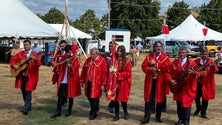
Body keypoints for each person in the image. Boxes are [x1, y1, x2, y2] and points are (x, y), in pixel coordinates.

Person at [167, 47, 200, 125]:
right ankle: (180, 119)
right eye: (180, 52)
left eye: (183, 52)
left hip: (188, 87)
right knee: (179, 103)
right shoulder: (175, 62)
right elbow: (168, 72)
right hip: (178, 86)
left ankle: (186, 121)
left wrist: (193, 73)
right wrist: (170, 80)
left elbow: (198, 73)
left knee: (186, 103)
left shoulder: (192, 63)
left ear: (186, 53)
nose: (181, 54)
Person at [141, 41, 171, 124]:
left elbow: (168, 68)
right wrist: (150, 69)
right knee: (148, 99)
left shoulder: (165, 57)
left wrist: (157, 65)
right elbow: (143, 66)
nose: (158, 48)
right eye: (157, 46)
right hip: (150, 81)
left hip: (160, 81)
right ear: (154, 47)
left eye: (160, 46)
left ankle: (158, 117)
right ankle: (146, 117)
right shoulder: (149, 57)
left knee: (160, 99)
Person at [10, 39, 41, 115]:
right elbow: (13, 60)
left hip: (30, 76)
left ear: (30, 45)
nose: (26, 46)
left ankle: (26, 108)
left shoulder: (34, 54)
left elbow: (39, 63)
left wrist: (35, 60)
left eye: (27, 44)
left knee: (28, 91)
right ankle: (28, 106)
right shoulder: (21, 54)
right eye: (24, 45)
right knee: (23, 91)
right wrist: (14, 65)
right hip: (21, 76)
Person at [51, 45, 81, 118]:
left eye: (68, 52)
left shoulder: (75, 58)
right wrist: (55, 64)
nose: (67, 54)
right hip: (63, 79)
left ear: (71, 51)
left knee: (70, 96)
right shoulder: (64, 57)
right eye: (66, 52)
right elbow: (60, 65)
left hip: (70, 80)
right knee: (60, 96)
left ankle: (69, 110)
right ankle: (58, 111)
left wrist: (70, 65)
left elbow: (75, 69)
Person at [80, 47, 107, 120]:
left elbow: (104, 73)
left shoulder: (102, 61)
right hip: (88, 81)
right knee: (88, 96)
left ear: (97, 54)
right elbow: (84, 70)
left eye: (93, 54)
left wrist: (103, 84)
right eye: (91, 54)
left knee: (95, 98)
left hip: (97, 83)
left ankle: (93, 113)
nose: (91, 56)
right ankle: (95, 108)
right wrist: (82, 80)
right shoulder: (88, 60)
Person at [106, 45, 132, 121]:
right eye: (118, 51)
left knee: (123, 99)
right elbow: (111, 68)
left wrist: (118, 75)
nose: (118, 52)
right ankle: (116, 115)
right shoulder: (114, 60)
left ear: (123, 52)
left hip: (123, 83)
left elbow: (128, 73)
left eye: (120, 51)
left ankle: (125, 112)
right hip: (114, 83)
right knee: (115, 99)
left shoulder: (126, 61)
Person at [193, 50, 218, 118]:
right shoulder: (196, 61)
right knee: (196, 96)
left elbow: (216, 70)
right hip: (198, 82)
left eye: (205, 54)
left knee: (205, 98)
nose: (204, 56)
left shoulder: (211, 61)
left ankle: (203, 112)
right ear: (200, 54)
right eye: (202, 54)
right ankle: (198, 108)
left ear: (208, 55)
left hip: (207, 82)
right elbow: (193, 70)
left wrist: (212, 66)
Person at [51, 40, 68, 106]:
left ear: (66, 45)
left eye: (63, 46)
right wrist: (53, 62)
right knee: (59, 87)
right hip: (58, 72)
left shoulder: (68, 53)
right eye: (61, 46)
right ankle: (60, 100)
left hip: (64, 73)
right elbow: (53, 59)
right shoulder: (58, 53)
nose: (62, 47)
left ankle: (65, 100)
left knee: (64, 87)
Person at [104, 41, 116, 113]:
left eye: (111, 46)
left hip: (114, 75)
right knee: (108, 90)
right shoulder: (106, 55)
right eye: (109, 46)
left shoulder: (116, 55)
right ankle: (111, 104)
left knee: (114, 90)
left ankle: (112, 105)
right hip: (107, 75)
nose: (110, 47)